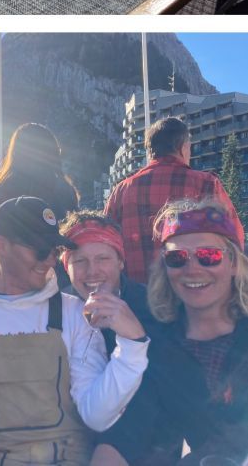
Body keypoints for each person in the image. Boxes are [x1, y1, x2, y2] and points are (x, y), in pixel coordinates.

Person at [0, 196, 150, 466]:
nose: (49, 259)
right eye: (38, 249)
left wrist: (132, 346)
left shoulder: (75, 314)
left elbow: (96, 414)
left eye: (53, 249)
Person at [92, 199, 248, 465]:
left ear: (233, 263)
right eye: (177, 258)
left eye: (209, 256)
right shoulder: (161, 348)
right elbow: (129, 433)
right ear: (165, 268)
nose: (193, 269)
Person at [105, 116, 245, 283]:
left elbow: (106, 244)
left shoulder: (121, 191)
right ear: (183, 147)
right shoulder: (206, 184)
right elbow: (234, 240)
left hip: (135, 299)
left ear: (150, 152)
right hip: (192, 294)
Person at [0, 123, 79, 271]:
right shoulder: (63, 188)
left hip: (6, 270)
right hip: (53, 272)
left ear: (14, 151)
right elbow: (73, 233)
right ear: (53, 153)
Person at [59, 211, 155, 358]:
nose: (92, 271)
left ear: (120, 262)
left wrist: (135, 337)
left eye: (102, 259)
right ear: (67, 267)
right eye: (79, 261)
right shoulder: (56, 311)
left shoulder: (154, 308)